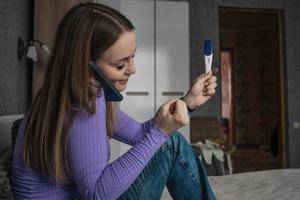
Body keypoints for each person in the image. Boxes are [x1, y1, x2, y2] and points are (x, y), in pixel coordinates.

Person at [11, 3, 217, 200]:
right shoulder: (82, 105)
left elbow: (138, 134)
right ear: (87, 64)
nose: (133, 69)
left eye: (132, 57)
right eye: (120, 65)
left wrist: (188, 102)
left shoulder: (69, 93)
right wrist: (161, 132)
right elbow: (97, 194)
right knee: (170, 144)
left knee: (169, 142)